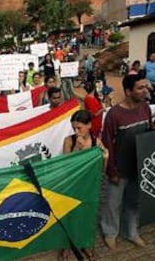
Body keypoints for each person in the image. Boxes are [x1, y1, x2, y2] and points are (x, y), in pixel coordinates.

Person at [101, 74, 152, 250]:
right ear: (129, 91)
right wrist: (112, 171)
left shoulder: (146, 107)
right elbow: (107, 144)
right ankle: (110, 232)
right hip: (119, 170)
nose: (145, 90)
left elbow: (149, 133)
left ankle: (130, 232)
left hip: (139, 168)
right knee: (112, 204)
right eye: (140, 87)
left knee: (134, 202)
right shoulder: (114, 115)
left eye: (145, 86)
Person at [61, 109, 108, 260]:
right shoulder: (70, 140)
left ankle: (85, 244)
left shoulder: (96, 142)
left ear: (89, 125)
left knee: (87, 215)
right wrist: (76, 149)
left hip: (89, 187)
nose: (76, 131)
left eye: (79, 127)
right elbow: (66, 166)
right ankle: (67, 245)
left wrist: (105, 158)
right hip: (73, 185)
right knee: (70, 215)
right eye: (74, 127)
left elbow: (101, 171)